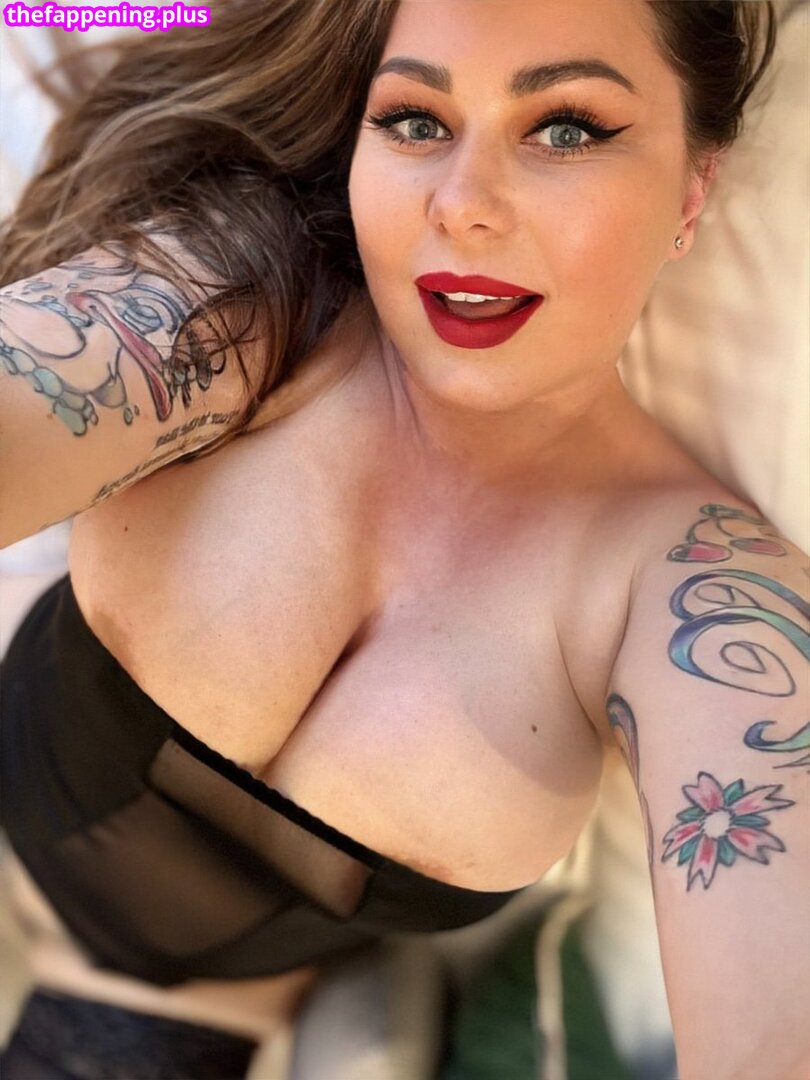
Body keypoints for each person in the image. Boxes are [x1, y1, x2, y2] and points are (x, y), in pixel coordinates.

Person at [1, 0, 807, 1077]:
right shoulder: (242, 296)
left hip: (218, 1021)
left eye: (566, 128)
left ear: (694, 188)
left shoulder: (703, 595)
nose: (463, 206)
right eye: (417, 121)